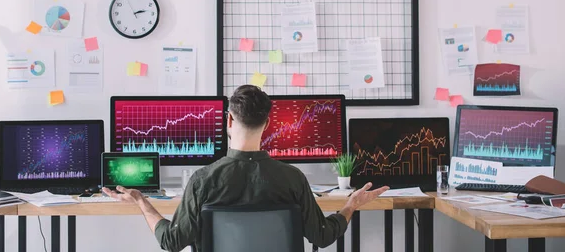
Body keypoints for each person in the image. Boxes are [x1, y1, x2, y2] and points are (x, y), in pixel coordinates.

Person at [103, 85, 389, 251]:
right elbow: (322, 236)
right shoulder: (293, 178)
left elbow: (171, 241)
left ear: (228, 121)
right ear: (267, 124)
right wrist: (350, 205)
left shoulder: (203, 180)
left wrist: (142, 202)